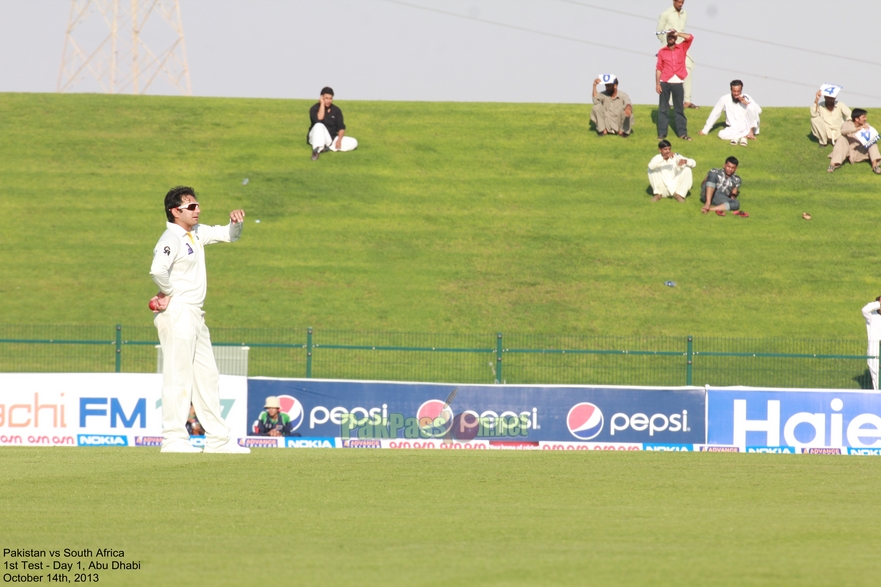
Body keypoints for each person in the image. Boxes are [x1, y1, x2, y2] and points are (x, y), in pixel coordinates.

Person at [149, 186, 251, 454]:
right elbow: (157, 269)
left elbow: (228, 236)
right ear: (175, 211)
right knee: (178, 377)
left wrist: (235, 224)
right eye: (191, 207)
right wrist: (168, 293)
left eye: (197, 205)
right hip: (178, 311)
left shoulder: (195, 233)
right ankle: (173, 439)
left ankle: (218, 440)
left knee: (208, 377)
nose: (198, 210)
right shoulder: (170, 238)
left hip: (195, 312)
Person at [656, 0, 697, 109]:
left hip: (681, 47)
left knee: (687, 70)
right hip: (669, 48)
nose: (681, 4)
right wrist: (667, 44)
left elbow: (682, 30)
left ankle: (687, 101)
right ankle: (667, 102)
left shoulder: (684, 13)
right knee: (667, 73)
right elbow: (659, 32)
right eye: (679, 1)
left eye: (682, 2)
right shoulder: (665, 14)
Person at [655, 30, 694, 141]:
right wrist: (657, 83)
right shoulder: (662, 51)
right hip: (665, 81)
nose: (670, 38)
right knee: (663, 108)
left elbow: (690, 37)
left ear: (675, 38)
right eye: (669, 36)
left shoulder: (682, 48)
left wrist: (677, 33)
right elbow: (659, 68)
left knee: (679, 109)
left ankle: (682, 133)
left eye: (672, 37)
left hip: (678, 82)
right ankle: (662, 133)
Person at [699, 80, 762, 146]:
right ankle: (742, 137)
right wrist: (705, 130)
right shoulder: (724, 99)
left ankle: (749, 134)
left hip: (747, 126)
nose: (736, 94)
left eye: (738, 91)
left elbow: (758, 110)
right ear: (731, 90)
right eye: (734, 91)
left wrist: (746, 103)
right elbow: (715, 114)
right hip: (733, 128)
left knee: (751, 107)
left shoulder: (746, 97)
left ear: (741, 90)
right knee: (721, 134)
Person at [308, 86, 358, 160]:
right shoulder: (314, 109)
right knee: (319, 125)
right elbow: (319, 118)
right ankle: (317, 150)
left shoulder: (336, 110)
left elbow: (341, 128)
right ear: (322, 97)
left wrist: (339, 140)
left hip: (331, 139)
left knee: (354, 142)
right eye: (326, 98)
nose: (328, 101)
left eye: (330, 98)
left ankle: (327, 147)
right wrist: (322, 104)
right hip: (316, 136)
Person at [827, 109, 881, 174]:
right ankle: (833, 165)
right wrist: (857, 129)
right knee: (841, 139)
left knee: (872, 142)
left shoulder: (866, 125)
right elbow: (843, 131)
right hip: (848, 151)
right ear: (856, 119)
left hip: (860, 151)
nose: (866, 119)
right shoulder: (847, 124)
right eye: (863, 117)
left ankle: (875, 165)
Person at [862, 297, 881, 390]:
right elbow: (864, 310)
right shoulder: (872, 317)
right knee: (876, 376)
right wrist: (877, 304)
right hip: (875, 352)